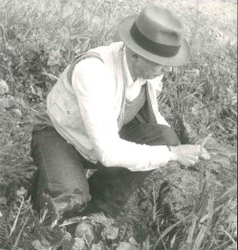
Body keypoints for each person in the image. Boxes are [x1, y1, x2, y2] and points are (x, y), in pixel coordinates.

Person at [30, 5, 210, 223]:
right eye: (163, 65)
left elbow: (152, 115)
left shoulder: (150, 72)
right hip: (61, 136)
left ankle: (96, 212)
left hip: (101, 139)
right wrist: (172, 153)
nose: (168, 70)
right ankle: (48, 184)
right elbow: (108, 152)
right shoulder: (94, 72)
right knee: (70, 199)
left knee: (164, 137)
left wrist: (180, 147)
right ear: (136, 56)